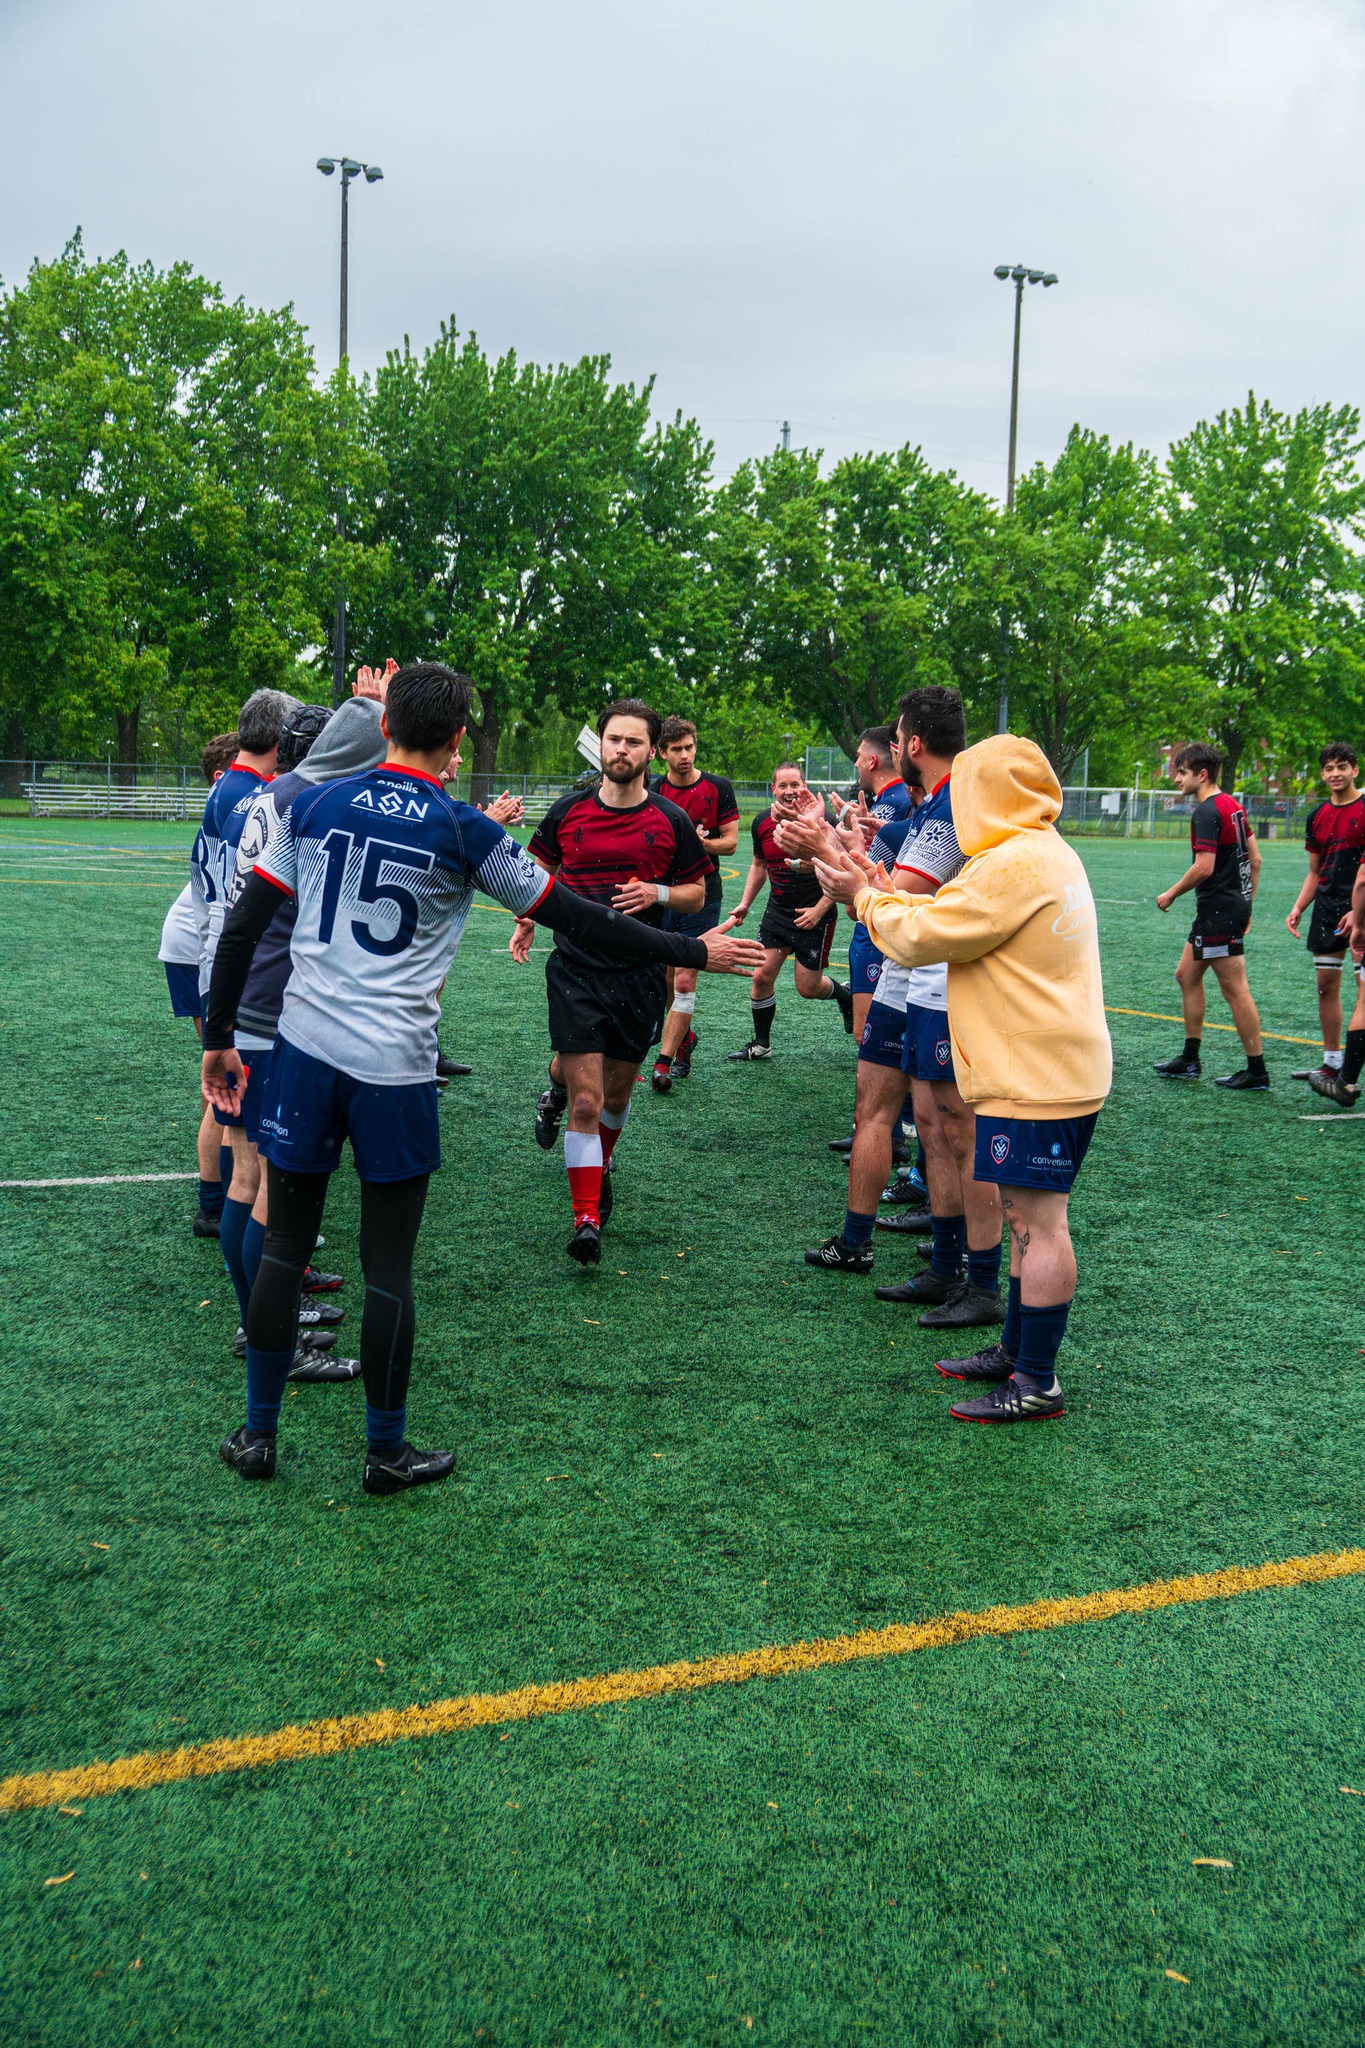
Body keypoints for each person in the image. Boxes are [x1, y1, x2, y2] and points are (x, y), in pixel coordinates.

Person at [204, 665, 763, 1493]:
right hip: (393, 1069)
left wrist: (218, 1037)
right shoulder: (464, 830)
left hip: (305, 1053)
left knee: (284, 1246)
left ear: (383, 720)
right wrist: (696, 951)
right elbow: (578, 916)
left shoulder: (309, 804)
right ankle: (384, 1452)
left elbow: (247, 922)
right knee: (387, 1269)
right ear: (459, 741)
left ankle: (257, 1436)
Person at [812, 735, 1112, 1423]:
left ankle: (1036, 1380)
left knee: (1038, 1223)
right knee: (1022, 1218)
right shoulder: (1037, 851)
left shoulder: (1010, 863)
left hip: (1037, 1073)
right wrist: (871, 887)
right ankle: (1017, 1349)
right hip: (1046, 1066)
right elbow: (941, 920)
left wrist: (861, 896)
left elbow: (923, 939)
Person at [784, 688, 1003, 1334]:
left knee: (956, 1130)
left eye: (895, 736)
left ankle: (981, 1280)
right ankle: (941, 1261)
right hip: (910, 971)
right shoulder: (931, 803)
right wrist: (843, 853)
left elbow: (896, 898)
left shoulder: (956, 802)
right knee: (930, 1125)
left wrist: (827, 849)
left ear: (910, 744)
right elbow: (883, 888)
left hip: (943, 972)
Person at [515, 700, 712, 1262]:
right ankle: (586, 1216)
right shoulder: (567, 812)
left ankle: (589, 1146)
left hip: (641, 976)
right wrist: (527, 919)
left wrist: (660, 893)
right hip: (576, 969)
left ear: (651, 751)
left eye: (632, 742)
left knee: (616, 1096)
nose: (620, 750)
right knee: (586, 1099)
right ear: (599, 745)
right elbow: (536, 874)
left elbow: (696, 891)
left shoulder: (670, 821)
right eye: (612, 740)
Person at [1153, 743, 1267, 1089]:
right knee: (1186, 975)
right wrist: (1246, 903)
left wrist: (1171, 892)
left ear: (1201, 775)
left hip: (1219, 911)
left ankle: (1257, 1071)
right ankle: (1190, 1059)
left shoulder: (1205, 811)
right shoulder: (1233, 806)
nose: (1176, 779)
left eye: (1181, 772)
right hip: (1225, 909)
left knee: (1236, 990)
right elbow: (1256, 859)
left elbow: (1204, 867)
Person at [725, 762, 854, 1060]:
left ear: (804, 786)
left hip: (816, 915)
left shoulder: (825, 820)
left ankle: (844, 995)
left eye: (795, 784)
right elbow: (759, 864)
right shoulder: (761, 822)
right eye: (782, 785)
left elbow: (846, 870)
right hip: (778, 913)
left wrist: (820, 909)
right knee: (761, 976)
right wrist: (745, 903)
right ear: (773, 789)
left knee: (808, 988)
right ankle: (761, 1045)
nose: (789, 791)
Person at [647, 715, 740, 1091]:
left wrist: (696, 844)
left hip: (703, 892)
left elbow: (731, 843)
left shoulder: (718, 787)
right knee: (666, 979)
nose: (684, 755)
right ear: (663, 754)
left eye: (689, 747)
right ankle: (684, 1037)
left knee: (685, 976)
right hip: (662, 894)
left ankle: (664, 1062)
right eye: (676, 750)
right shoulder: (652, 789)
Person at [170, 733, 238, 1236]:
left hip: (202, 942)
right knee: (225, 1085)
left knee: (222, 1082)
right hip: (198, 948)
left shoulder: (233, 803)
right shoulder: (237, 798)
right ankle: (213, 1203)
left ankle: (218, 1197)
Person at [1286, 743, 1365, 1086]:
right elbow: (1313, 871)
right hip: (1327, 908)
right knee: (1325, 986)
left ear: (1355, 770)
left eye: (1342, 767)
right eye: (1329, 768)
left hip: (1361, 907)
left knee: (1364, 991)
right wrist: (1299, 907)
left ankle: (1351, 1071)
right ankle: (1332, 1062)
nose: (1335, 774)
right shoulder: (1316, 815)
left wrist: (1358, 911)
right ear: (1321, 774)